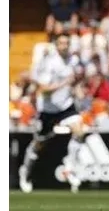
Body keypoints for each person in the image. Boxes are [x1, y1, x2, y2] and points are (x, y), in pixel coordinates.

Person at [19, 33, 84, 193]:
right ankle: (25, 172)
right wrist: (64, 83)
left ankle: (69, 168)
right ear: (56, 45)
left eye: (67, 43)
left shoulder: (73, 60)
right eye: (61, 43)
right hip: (48, 109)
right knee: (39, 144)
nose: (64, 46)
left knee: (79, 131)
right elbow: (44, 90)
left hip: (66, 106)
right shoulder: (50, 63)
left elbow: (77, 77)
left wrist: (76, 84)